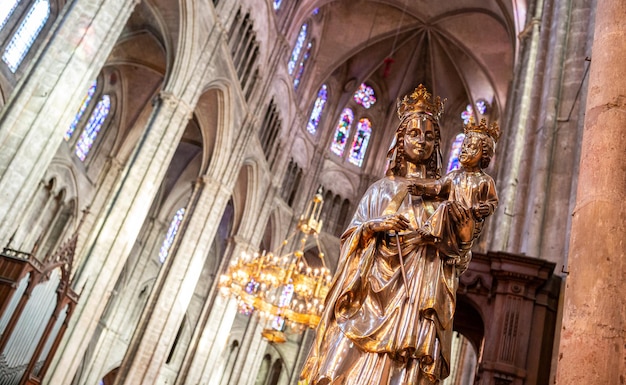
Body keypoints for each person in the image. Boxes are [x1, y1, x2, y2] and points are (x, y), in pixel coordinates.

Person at [299, 85, 477, 385]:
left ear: (437, 144)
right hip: (368, 298)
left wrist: (462, 238)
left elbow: (457, 261)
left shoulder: (441, 200)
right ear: (401, 138)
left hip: (413, 303)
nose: (422, 141)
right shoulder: (380, 190)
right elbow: (350, 240)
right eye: (414, 134)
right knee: (338, 365)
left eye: (430, 136)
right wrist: (375, 227)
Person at [409, 118, 500, 267]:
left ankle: (460, 252)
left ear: (484, 155)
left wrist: (486, 208)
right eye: (464, 145)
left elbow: (492, 202)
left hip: (468, 219)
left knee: (450, 209)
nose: (464, 149)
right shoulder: (454, 175)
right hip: (450, 220)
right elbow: (438, 187)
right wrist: (423, 189)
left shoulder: (485, 181)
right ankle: (433, 233)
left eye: (471, 147)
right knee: (446, 205)